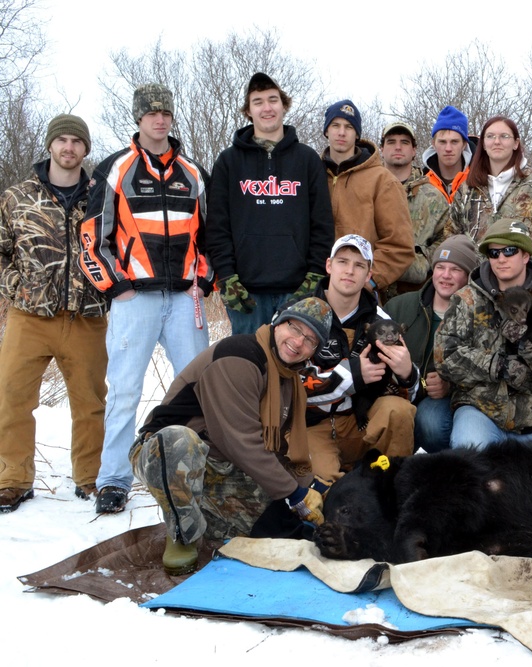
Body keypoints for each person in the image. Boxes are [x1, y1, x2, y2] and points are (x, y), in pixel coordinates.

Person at [79, 84, 212, 515]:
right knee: (124, 391)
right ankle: (113, 480)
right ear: (138, 119)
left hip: (184, 298)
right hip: (135, 298)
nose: (159, 119)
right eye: (151, 113)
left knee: (200, 386)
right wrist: (116, 285)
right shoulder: (115, 168)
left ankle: (203, 470)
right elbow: (89, 236)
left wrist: (204, 280)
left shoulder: (193, 172)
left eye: (166, 113)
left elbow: (213, 235)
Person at [131, 297, 333, 575]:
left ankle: (207, 514)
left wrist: (314, 489)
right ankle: (182, 533)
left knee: (275, 525)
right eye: (294, 328)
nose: (298, 342)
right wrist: (294, 493)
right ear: (277, 323)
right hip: (166, 454)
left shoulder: (287, 378)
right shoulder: (239, 356)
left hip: (221, 463)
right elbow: (240, 440)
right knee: (179, 441)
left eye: (310, 340)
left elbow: (278, 448)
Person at [0, 115, 108, 512]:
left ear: (85, 148)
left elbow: (121, 247)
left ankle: (91, 477)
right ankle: (12, 478)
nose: (68, 148)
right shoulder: (17, 196)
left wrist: (107, 290)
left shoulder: (103, 196)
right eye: (61, 140)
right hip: (29, 317)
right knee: (11, 397)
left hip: (86, 317)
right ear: (49, 145)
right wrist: (18, 287)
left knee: (90, 401)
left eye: (76, 141)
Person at [207, 72, 335, 335]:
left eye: (273, 100)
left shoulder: (308, 160)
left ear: (284, 106)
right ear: (248, 111)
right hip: (246, 294)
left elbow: (322, 224)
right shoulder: (228, 162)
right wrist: (227, 278)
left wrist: (314, 277)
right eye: (258, 101)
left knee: (297, 370)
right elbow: (217, 227)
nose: (267, 108)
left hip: (298, 289)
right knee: (249, 368)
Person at [435, 218, 532, 450]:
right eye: (494, 253)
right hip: (478, 410)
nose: (501, 258)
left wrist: (527, 342)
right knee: (472, 457)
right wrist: (497, 366)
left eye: (509, 251)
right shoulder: (467, 299)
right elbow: (445, 357)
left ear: (526, 256)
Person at [299, 234, 418, 491]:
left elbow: (411, 390)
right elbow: (287, 385)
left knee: (398, 411)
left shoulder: (382, 321)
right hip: (313, 426)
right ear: (329, 266)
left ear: (368, 274)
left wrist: (408, 374)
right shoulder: (299, 313)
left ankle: (393, 488)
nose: (350, 271)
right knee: (322, 493)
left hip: (359, 423)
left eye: (359, 265)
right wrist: (352, 374)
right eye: (343, 262)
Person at [385, 234, 480, 452]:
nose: (445, 276)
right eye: (440, 267)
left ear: (468, 276)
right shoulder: (398, 306)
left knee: (431, 423)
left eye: (455, 269)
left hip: (440, 400)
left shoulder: (477, 315)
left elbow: (482, 369)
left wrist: (450, 386)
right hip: (397, 392)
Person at [450, 115, 532, 289]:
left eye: (504, 136)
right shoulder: (467, 188)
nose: (497, 142)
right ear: (483, 144)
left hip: (529, 289)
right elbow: (452, 238)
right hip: (477, 289)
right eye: (490, 136)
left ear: (516, 143)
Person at [322, 100, 413, 301]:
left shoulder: (382, 180)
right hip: (315, 290)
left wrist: (369, 282)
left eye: (349, 127)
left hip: (358, 294)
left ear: (357, 134)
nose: (341, 132)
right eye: (335, 126)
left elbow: (400, 246)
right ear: (326, 131)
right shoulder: (312, 175)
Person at [381, 122, 451, 293]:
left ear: (414, 150)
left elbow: (446, 237)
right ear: (381, 149)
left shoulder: (433, 196)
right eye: (391, 142)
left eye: (405, 142)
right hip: (372, 290)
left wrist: (423, 260)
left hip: (415, 294)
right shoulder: (368, 190)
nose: (398, 147)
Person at [423, 105, 472, 204]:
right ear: (433, 145)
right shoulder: (422, 184)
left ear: (464, 145)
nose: (448, 149)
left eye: (454, 142)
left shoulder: (478, 182)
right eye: (442, 142)